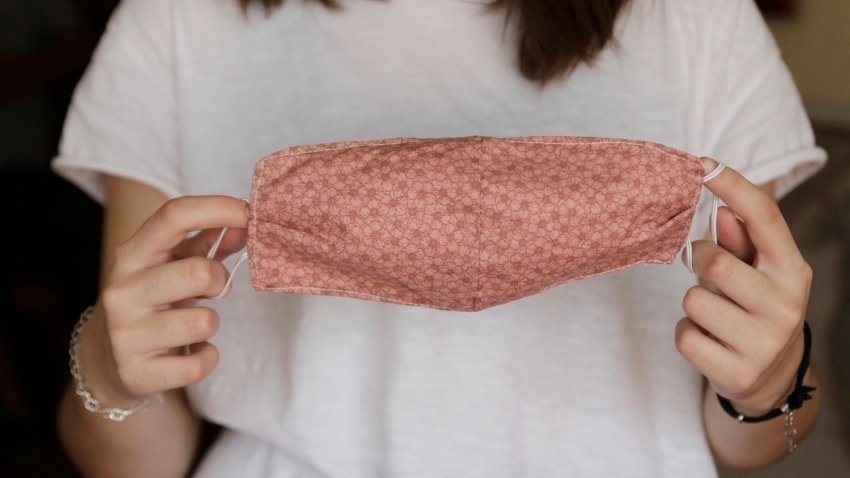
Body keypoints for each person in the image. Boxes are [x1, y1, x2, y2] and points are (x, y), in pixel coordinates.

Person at [51, 0, 827, 476]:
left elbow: (757, 438)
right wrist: (109, 376)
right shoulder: (180, 18)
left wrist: (769, 384)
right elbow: (133, 460)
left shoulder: (696, 17)